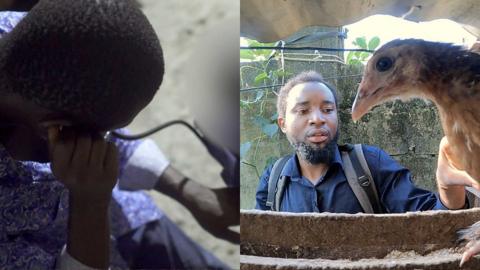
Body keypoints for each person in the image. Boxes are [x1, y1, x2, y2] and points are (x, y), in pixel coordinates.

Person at [0, 7, 233, 270]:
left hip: (128, 218)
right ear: (54, 129)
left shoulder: (23, 36)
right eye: (103, 133)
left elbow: (90, 102)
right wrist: (90, 201)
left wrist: (189, 191)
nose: (108, 142)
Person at [255, 70, 477, 213]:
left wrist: (448, 188)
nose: (317, 119)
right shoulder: (274, 179)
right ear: (283, 124)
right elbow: (261, 240)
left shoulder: (369, 164)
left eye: (327, 109)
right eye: (303, 110)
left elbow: (431, 221)